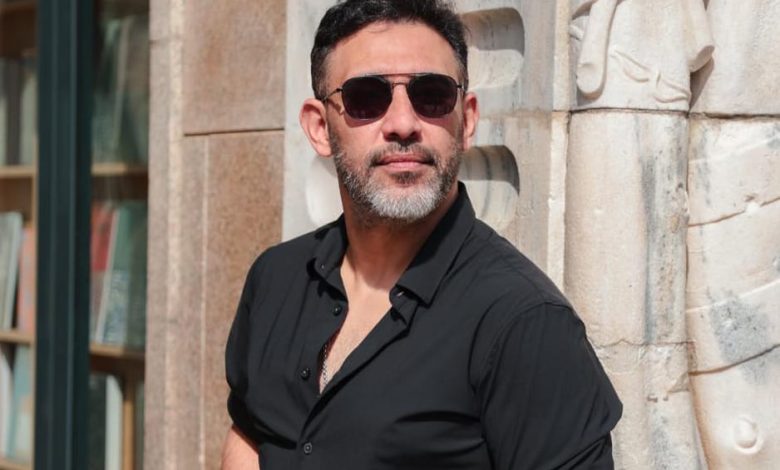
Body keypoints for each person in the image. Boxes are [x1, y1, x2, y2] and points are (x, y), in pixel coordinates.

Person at [221, 0, 622, 468]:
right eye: (366, 98)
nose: (403, 124)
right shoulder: (276, 278)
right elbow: (250, 435)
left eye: (431, 96)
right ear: (319, 127)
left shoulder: (525, 323)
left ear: (466, 120)